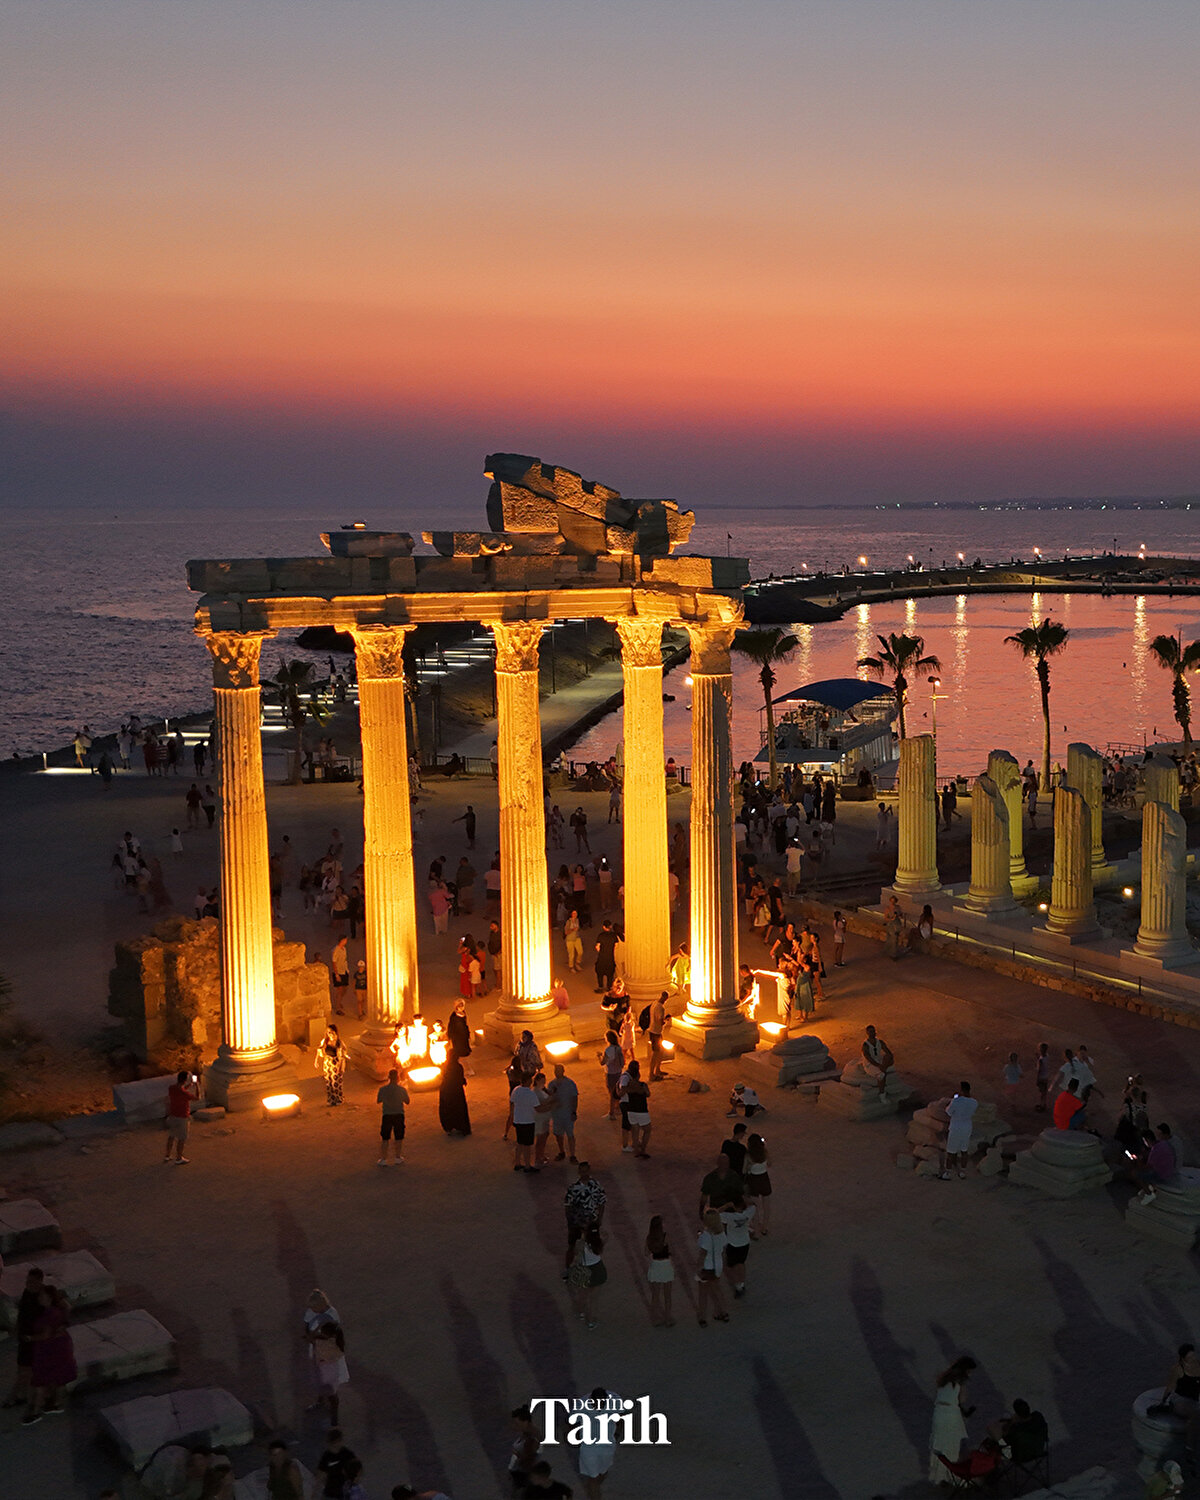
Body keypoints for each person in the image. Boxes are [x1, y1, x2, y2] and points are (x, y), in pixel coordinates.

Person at [23, 1285, 77, 1424]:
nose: (39, 1298)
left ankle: (36, 1411)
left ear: (49, 1298)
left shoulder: (49, 1314)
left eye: (42, 1296)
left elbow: (45, 1335)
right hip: (60, 1348)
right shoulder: (58, 1311)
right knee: (59, 1376)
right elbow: (67, 1308)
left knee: (40, 1380)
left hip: (49, 1349)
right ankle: (56, 1404)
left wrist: (29, 1338)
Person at [929, 1355, 977, 1481]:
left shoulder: (944, 1377)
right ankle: (950, 1475)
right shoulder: (960, 1384)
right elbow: (961, 1400)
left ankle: (939, 1473)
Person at [3, 1266, 44, 1412]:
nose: (28, 1283)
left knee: (25, 1371)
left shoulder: (42, 1298)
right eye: (28, 1280)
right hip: (25, 1339)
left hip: (34, 1341)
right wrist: (16, 1329)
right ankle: (20, 1396)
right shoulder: (27, 1293)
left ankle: (15, 1397)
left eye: (32, 1281)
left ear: (40, 1281)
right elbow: (22, 1313)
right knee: (24, 1371)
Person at [563, 1161, 607, 1274]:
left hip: (591, 1222)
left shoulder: (596, 1186)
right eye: (581, 1171)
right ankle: (568, 1269)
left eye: (585, 1170)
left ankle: (590, 1269)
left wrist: (599, 1219)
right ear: (578, 1172)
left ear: (589, 1170)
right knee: (572, 1247)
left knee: (592, 1246)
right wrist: (570, 1221)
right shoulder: (573, 1188)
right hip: (576, 1223)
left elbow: (602, 1203)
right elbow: (567, 1205)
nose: (584, 1173)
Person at [696, 1209, 730, 1327]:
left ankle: (702, 1318)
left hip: (707, 1267)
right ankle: (723, 1312)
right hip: (717, 1266)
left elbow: (702, 1254)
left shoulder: (705, 1236)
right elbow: (724, 1250)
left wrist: (697, 1268)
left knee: (703, 1293)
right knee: (717, 1289)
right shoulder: (722, 1234)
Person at [568, 1226, 606, 1329]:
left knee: (583, 1294)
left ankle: (581, 1312)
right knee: (594, 1298)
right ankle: (591, 1321)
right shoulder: (599, 1243)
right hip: (598, 1269)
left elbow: (575, 1253)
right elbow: (605, 1234)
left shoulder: (580, 1244)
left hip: (585, 1270)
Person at [311, 1323, 349, 1425]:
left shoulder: (320, 1342)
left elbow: (311, 1337)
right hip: (331, 1369)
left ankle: (334, 1419)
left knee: (329, 1392)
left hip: (325, 1370)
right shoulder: (336, 1344)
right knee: (331, 1393)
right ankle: (333, 1417)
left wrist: (317, 1329)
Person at [720, 1194, 756, 1297]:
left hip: (732, 1243)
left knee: (731, 1265)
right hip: (744, 1242)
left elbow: (713, 1214)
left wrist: (726, 1206)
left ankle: (737, 1285)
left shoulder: (729, 1217)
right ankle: (742, 1283)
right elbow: (753, 1204)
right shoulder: (748, 1213)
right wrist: (744, 1196)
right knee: (741, 1263)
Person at [942, 1083, 979, 1177]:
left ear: (961, 1090)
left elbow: (949, 1112)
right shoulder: (974, 1102)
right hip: (967, 1127)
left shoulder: (956, 1101)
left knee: (951, 1151)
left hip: (956, 1127)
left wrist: (953, 1101)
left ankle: (948, 1173)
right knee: (964, 1150)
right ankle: (963, 1172)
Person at [163, 1069, 199, 1164]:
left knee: (171, 1136)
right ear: (185, 1080)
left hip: (173, 1115)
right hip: (182, 1117)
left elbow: (180, 1091)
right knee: (181, 1138)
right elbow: (197, 1098)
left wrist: (187, 1086)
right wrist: (196, 1086)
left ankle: (167, 1155)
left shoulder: (171, 1088)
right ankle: (179, 1158)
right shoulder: (184, 1093)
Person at [645, 1215, 675, 1327]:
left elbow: (645, 1252)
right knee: (667, 1295)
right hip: (666, 1265)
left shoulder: (649, 1237)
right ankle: (668, 1318)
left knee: (655, 1295)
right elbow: (671, 1249)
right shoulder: (666, 1237)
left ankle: (655, 1319)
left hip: (655, 1265)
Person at [377, 1067, 410, 1165]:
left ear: (389, 1077)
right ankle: (398, 1157)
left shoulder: (382, 1089)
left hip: (387, 1115)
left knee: (385, 1137)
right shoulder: (402, 1089)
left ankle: (383, 1159)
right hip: (399, 1114)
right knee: (399, 1137)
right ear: (398, 1078)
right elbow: (407, 1102)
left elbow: (378, 1101)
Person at [548, 1063, 579, 1162]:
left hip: (567, 1112)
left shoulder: (570, 1083)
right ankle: (562, 1152)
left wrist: (574, 1111)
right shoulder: (552, 1084)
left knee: (570, 1134)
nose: (557, 1073)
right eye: (556, 1071)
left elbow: (574, 1098)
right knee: (558, 1134)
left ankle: (572, 1154)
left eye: (558, 1071)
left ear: (563, 1071)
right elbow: (549, 1098)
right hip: (556, 1113)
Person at [316, 1429, 359, 1500]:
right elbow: (320, 1475)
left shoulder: (347, 1454)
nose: (336, 1445)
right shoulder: (326, 1456)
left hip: (344, 1493)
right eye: (334, 1443)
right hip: (330, 1493)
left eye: (338, 1442)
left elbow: (356, 1469)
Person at [699, 1151, 744, 1219]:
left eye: (726, 1163)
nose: (724, 1165)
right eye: (722, 1163)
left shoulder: (734, 1176)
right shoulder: (709, 1178)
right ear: (718, 1163)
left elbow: (741, 1194)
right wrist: (701, 1211)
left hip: (731, 1211)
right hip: (717, 1211)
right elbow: (704, 1197)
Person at [742, 1133, 772, 1234]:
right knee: (766, 1205)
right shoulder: (765, 1152)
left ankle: (756, 1230)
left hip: (754, 1180)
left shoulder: (748, 1155)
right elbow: (770, 1163)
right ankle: (765, 1227)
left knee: (755, 1206)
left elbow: (744, 1170)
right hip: (764, 1178)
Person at [511, 1072, 540, 1173]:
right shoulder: (530, 1093)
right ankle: (527, 1166)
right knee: (527, 1145)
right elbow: (537, 1107)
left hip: (518, 1120)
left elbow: (512, 1103)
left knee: (520, 1142)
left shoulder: (516, 1090)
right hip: (528, 1121)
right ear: (528, 1081)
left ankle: (517, 1163)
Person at [624, 1060, 652, 1158]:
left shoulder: (628, 1085)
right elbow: (648, 1094)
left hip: (631, 1110)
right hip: (642, 1110)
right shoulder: (642, 1085)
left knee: (635, 1131)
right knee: (647, 1130)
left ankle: (636, 1150)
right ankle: (643, 1149)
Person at [438, 1055, 471, 1136]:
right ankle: (461, 1127)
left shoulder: (445, 1066)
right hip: (456, 1091)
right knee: (458, 1108)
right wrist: (463, 1081)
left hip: (446, 1090)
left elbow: (443, 1076)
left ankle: (448, 1127)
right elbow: (459, 1078)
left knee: (447, 1109)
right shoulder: (458, 1067)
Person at [316, 1024, 347, 1106]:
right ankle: (331, 1100)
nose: (331, 1034)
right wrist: (316, 1061)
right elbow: (319, 1050)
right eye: (329, 1033)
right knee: (328, 1082)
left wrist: (339, 1066)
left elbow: (342, 1055)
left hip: (336, 1063)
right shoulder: (325, 1041)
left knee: (336, 1082)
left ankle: (339, 1099)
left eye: (332, 1032)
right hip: (327, 1063)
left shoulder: (339, 1043)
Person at [861, 1026, 894, 1097]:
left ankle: (883, 1070)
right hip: (869, 1064)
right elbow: (868, 1058)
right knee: (881, 1075)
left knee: (888, 1058)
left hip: (879, 1060)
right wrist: (879, 1065)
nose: (873, 1033)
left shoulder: (880, 1042)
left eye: (873, 1031)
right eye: (871, 1032)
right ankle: (882, 1094)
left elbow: (888, 1052)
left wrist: (887, 1062)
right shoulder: (865, 1045)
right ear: (867, 1033)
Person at [599, 1031, 623, 1121]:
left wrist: (599, 1056)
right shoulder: (618, 1048)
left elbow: (603, 1062)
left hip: (611, 1073)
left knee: (611, 1093)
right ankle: (618, 1108)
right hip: (618, 1072)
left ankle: (611, 1113)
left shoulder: (608, 1050)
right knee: (617, 1091)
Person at [593, 921, 619, 994]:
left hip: (602, 957)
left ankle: (600, 986)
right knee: (610, 973)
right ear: (610, 927)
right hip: (610, 956)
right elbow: (616, 946)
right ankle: (609, 987)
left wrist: (599, 950)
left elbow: (598, 946)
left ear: (604, 927)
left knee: (599, 972)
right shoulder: (613, 935)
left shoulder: (601, 935)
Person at [330, 937, 350, 1015]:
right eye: (345, 940)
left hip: (344, 971)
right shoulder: (336, 950)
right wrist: (336, 974)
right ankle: (338, 1007)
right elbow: (334, 962)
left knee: (345, 989)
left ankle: (339, 1001)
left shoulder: (344, 949)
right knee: (339, 990)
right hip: (338, 972)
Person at [1035, 1042, 1053, 1112]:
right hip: (1046, 1076)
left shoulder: (1041, 1060)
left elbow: (1039, 1070)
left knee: (1042, 1092)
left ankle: (1042, 1106)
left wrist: (1037, 1079)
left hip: (1041, 1078)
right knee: (1044, 1092)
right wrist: (1038, 1058)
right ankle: (1043, 1104)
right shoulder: (1047, 1056)